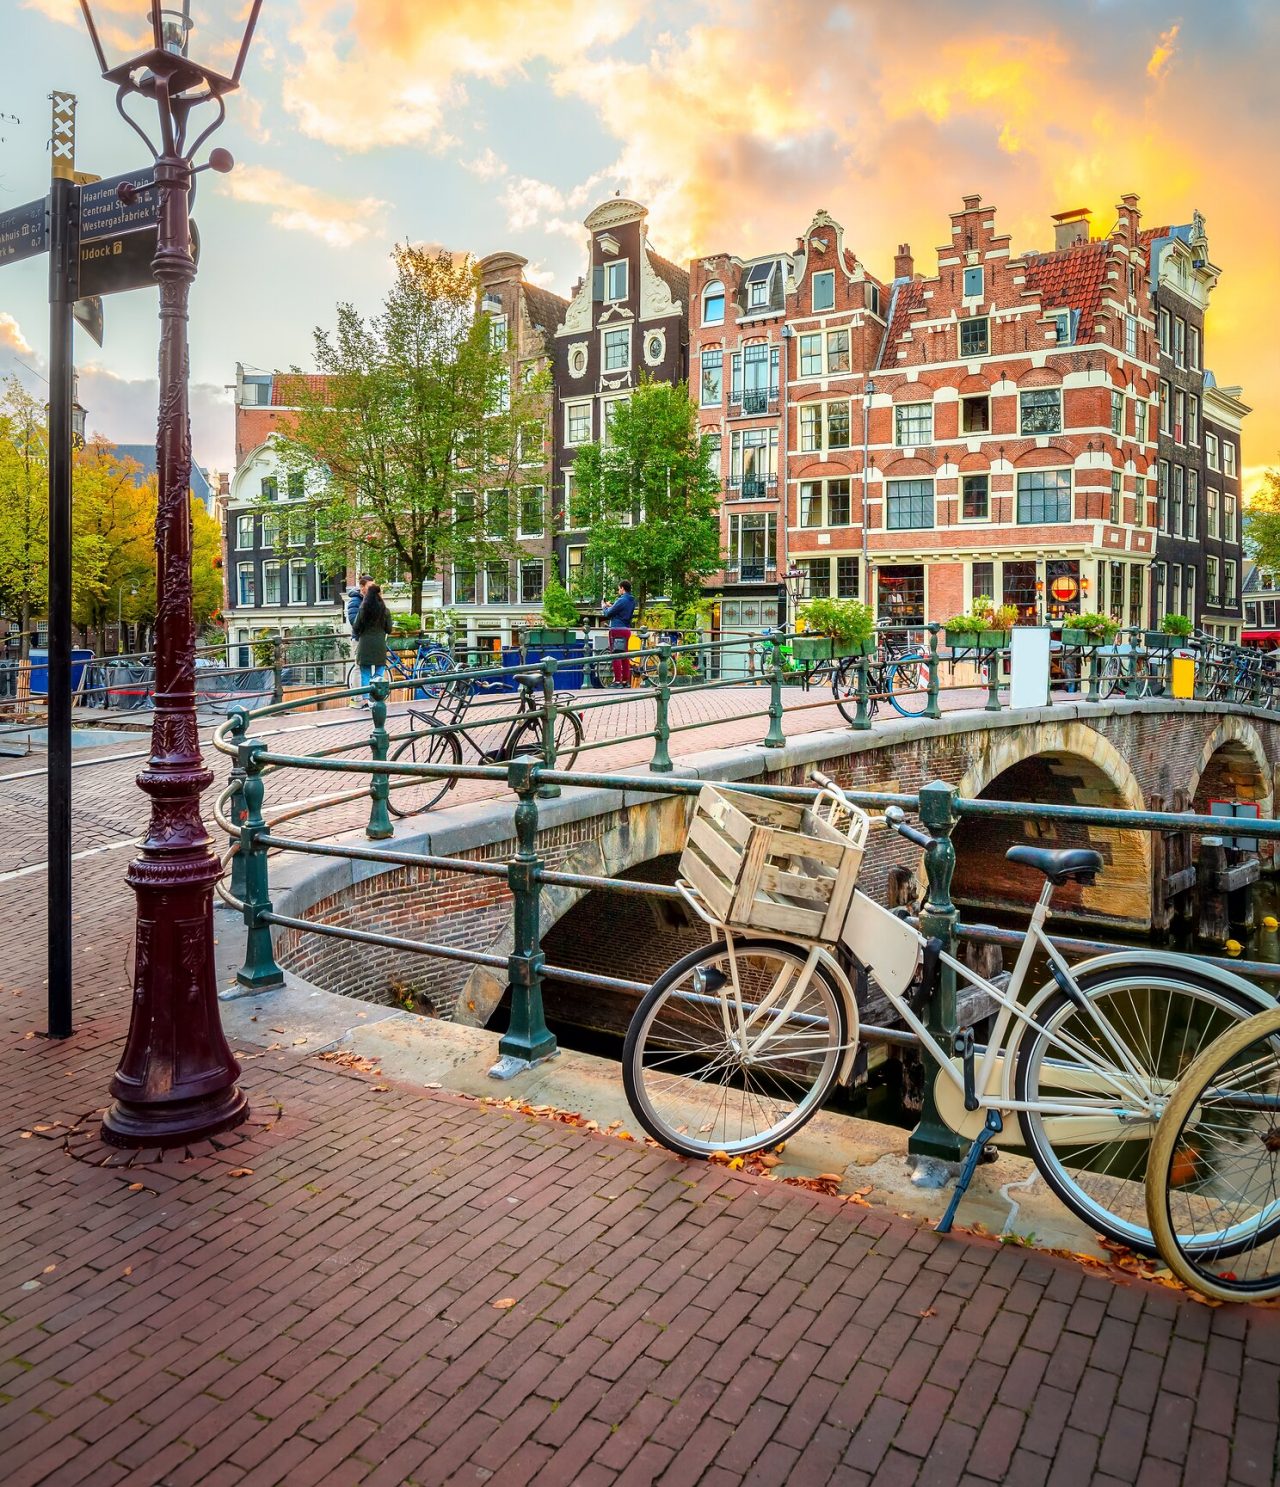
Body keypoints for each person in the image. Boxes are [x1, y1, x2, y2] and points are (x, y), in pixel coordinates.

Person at [352, 581, 393, 705]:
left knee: (365, 673)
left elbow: (356, 626)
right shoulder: (385, 611)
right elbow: (389, 629)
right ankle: (376, 697)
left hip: (365, 645)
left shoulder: (363, 609)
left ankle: (366, 699)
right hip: (379, 645)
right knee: (379, 671)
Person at [602, 580, 637, 687]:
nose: (618, 590)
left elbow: (608, 614)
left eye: (619, 588)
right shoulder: (632, 600)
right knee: (625, 655)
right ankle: (626, 681)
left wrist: (604, 606)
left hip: (617, 629)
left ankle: (617, 681)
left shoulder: (621, 600)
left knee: (616, 654)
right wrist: (612, 606)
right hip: (626, 629)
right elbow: (621, 611)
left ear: (622, 588)